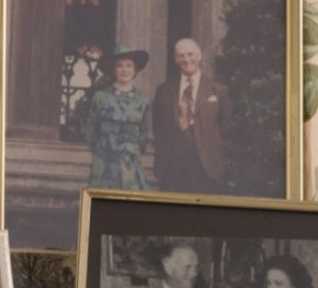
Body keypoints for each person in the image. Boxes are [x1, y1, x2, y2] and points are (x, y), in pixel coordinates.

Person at [149, 36, 233, 194]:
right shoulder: (164, 90)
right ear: (175, 59)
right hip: (171, 165)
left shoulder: (217, 90)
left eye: (190, 54)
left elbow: (225, 127)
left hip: (205, 166)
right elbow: (157, 126)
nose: (186, 59)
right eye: (181, 55)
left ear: (199, 55)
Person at [69, 48, 152, 189]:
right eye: (119, 66)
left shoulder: (142, 100)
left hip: (130, 164)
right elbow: (91, 131)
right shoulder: (100, 97)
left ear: (135, 69)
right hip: (104, 163)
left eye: (128, 66)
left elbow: (143, 134)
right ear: (113, 70)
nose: (124, 70)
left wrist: (129, 149)